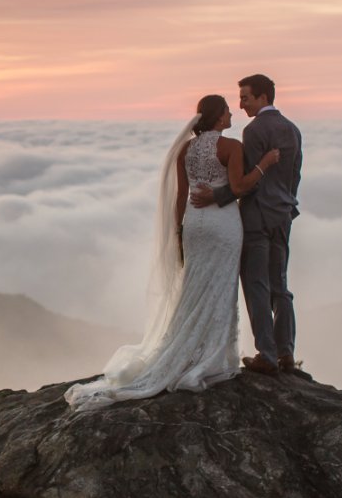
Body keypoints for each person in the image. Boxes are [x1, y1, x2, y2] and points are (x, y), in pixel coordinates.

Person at [66, 95, 279, 412]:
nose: (231, 113)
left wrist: (178, 233)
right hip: (223, 225)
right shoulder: (231, 147)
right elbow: (239, 186)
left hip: (193, 224)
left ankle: (186, 350)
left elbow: (181, 196)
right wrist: (265, 164)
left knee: (194, 287)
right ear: (218, 117)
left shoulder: (184, 150)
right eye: (226, 110)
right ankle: (211, 356)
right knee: (220, 286)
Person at [190, 74, 302, 376]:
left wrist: (216, 196)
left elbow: (246, 183)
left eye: (246, 98)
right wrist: (288, 205)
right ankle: (286, 353)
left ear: (263, 97)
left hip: (257, 217)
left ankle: (266, 354)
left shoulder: (253, 131)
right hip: (282, 215)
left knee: (256, 285)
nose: (240, 105)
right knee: (281, 286)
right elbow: (295, 177)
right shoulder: (293, 130)